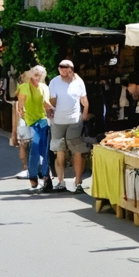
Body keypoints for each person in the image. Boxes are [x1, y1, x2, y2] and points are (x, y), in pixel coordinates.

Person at [47, 60, 90, 193]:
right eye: (61, 69)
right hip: (58, 121)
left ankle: (78, 182)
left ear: (72, 69)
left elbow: (84, 100)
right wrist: (49, 110)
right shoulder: (54, 81)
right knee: (60, 151)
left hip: (74, 121)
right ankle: (61, 181)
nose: (64, 72)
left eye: (66, 69)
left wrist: (84, 113)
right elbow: (51, 100)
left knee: (77, 151)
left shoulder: (78, 82)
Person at [20, 65, 52, 193]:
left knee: (44, 150)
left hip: (42, 121)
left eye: (40, 75)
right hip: (30, 122)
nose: (38, 77)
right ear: (31, 75)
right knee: (34, 150)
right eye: (36, 74)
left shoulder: (44, 87)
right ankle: (33, 176)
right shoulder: (24, 87)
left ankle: (45, 176)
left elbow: (46, 103)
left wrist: (53, 110)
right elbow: (20, 106)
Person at [9, 69, 34, 178]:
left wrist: (14, 133)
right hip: (35, 120)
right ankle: (32, 168)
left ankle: (25, 167)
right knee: (34, 145)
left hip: (23, 121)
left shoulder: (21, 90)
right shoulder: (39, 88)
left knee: (23, 145)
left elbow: (17, 109)